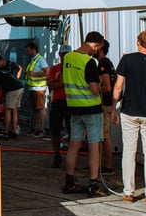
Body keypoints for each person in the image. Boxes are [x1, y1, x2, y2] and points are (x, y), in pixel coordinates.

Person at [110, 31, 146, 204]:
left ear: (138, 42)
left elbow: (118, 86)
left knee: (129, 151)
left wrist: (113, 107)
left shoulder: (127, 60)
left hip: (129, 110)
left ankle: (128, 192)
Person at [62, 31, 107, 198]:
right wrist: (101, 83)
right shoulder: (89, 62)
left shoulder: (67, 58)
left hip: (73, 107)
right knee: (94, 145)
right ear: (95, 44)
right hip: (91, 108)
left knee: (74, 144)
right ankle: (93, 184)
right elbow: (95, 90)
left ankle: (70, 182)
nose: (97, 52)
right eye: (98, 48)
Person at [47, 45, 72, 168]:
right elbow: (50, 85)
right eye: (64, 54)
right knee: (55, 129)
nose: (65, 56)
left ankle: (71, 157)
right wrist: (61, 83)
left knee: (72, 130)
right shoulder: (55, 68)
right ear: (60, 54)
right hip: (58, 101)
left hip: (71, 102)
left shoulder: (73, 67)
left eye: (68, 53)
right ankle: (57, 154)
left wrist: (59, 83)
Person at [97, 40, 116, 174]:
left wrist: (94, 88)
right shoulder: (107, 63)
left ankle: (108, 166)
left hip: (105, 103)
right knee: (103, 135)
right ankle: (102, 164)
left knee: (105, 135)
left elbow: (107, 87)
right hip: (108, 103)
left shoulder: (103, 63)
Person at [24, 42, 49, 136]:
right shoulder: (33, 60)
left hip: (39, 88)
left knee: (40, 109)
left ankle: (42, 130)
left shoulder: (40, 59)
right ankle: (36, 129)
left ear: (34, 49)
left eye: (28, 50)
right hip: (33, 87)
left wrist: (35, 74)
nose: (27, 52)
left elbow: (47, 72)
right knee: (35, 109)